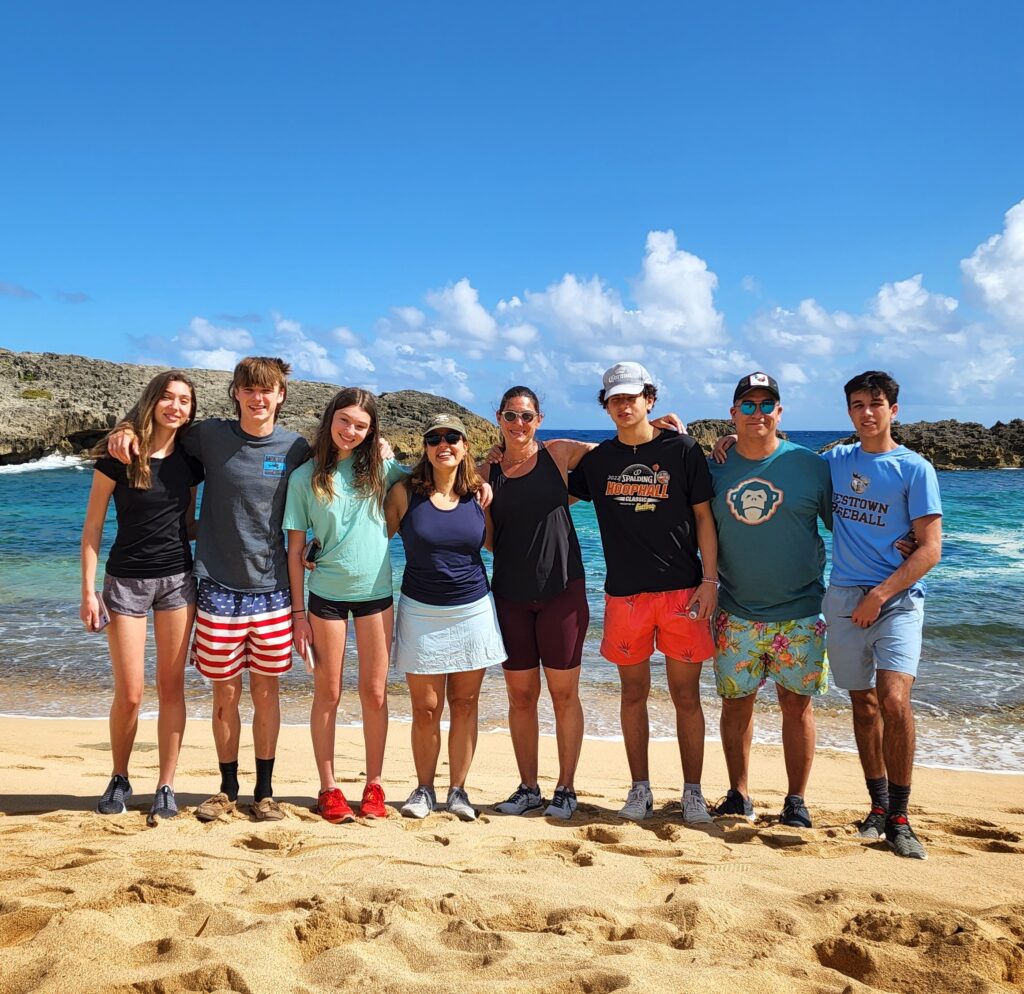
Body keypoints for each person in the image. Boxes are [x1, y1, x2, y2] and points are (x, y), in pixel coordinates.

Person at [108, 357, 310, 822]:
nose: (259, 399)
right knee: (225, 696)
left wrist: (378, 448)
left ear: (281, 395)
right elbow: (162, 427)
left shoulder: (296, 446)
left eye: (268, 391)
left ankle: (264, 792)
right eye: (249, 390)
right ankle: (226, 790)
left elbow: (340, 465)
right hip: (217, 588)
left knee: (266, 694)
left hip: (273, 589)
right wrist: (123, 428)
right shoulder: (211, 437)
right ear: (236, 393)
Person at [568, 362, 719, 824]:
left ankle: (692, 791)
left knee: (685, 696)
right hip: (625, 596)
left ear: (649, 399)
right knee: (632, 694)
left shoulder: (684, 448)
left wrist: (710, 581)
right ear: (606, 404)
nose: (624, 404)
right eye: (615, 398)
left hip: (683, 593)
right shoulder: (597, 462)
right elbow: (549, 491)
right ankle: (640, 790)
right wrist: (499, 461)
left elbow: (704, 519)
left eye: (632, 397)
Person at [822, 371, 942, 859]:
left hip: (897, 601)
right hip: (844, 598)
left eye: (876, 403)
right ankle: (876, 806)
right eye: (857, 404)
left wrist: (881, 593)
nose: (867, 412)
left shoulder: (915, 469)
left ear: (894, 409)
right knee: (863, 704)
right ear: (849, 412)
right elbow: (779, 461)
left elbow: (929, 549)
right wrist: (725, 438)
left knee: (894, 700)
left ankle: (901, 818)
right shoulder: (835, 461)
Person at [707, 372, 832, 829]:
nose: (757, 413)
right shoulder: (714, 466)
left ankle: (796, 799)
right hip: (736, 609)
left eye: (766, 406)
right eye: (748, 405)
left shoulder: (811, 466)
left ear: (780, 413)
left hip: (800, 611)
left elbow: (851, 524)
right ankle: (738, 794)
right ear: (733, 412)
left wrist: (901, 542)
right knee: (735, 704)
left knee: (797, 704)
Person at [80, 371, 204, 820]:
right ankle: (119, 776)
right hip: (125, 582)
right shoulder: (120, 455)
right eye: (168, 398)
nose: (176, 406)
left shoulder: (191, 461)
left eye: (184, 401)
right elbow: (92, 527)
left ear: (192, 410)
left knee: (172, 688)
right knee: (130, 693)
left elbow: (188, 523)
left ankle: (166, 785)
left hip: (177, 581)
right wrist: (89, 592)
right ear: (152, 401)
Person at [284, 388, 407, 823]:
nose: (351, 431)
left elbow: (433, 482)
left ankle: (374, 783)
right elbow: (294, 549)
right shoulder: (304, 478)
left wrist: (481, 484)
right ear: (330, 419)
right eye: (345, 421)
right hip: (325, 599)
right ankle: (329, 786)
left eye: (361, 425)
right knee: (328, 692)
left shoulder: (382, 469)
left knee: (374, 692)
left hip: (376, 594)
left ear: (372, 431)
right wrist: (297, 614)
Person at [384, 414, 506, 822]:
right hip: (420, 610)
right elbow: (371, 536)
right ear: (425, 447)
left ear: (465, 446)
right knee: (426, 708)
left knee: (466, 703)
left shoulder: (479, 495)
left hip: (472, 609)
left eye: (452, 437)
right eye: (434, 438)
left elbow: (495, 543)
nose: (444, 444)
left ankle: (458, 791)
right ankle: (423, 789)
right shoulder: (404, 493)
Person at [486, 387, 594, 820]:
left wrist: (662, 430)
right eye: (511, 416)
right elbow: (433, 481)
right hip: (510, 594)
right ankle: (529, 788)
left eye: (526, 416)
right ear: (498, 417)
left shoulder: (560, 454)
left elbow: (623, 451)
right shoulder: (484, 471)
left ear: (539, 418)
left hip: (562, 592)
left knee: (564, 694)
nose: (518, 424)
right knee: (521, 696)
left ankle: (566, 788)